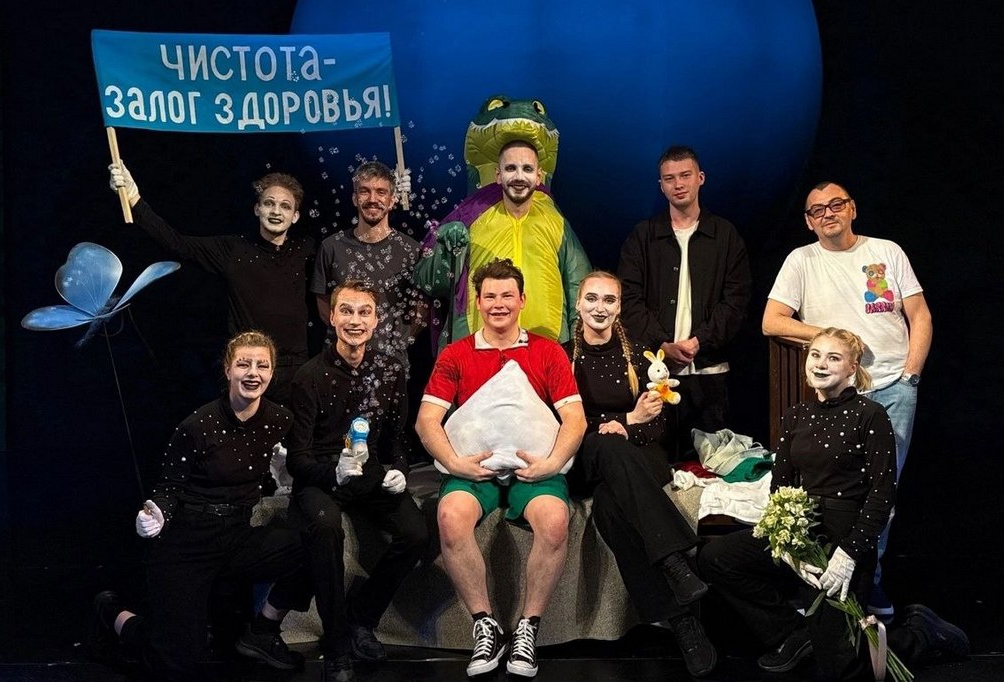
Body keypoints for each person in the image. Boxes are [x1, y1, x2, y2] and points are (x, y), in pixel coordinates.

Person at [698, 328, 966, 682]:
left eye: (833, 358)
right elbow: (781, 486)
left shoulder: (870, 415)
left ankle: (920, 632)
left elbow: (882, 494)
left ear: (853, 368)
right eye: (815, 355)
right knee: (717, 557)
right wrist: (787, 546)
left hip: (845, 536)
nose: (821, 364)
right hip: (803, 530)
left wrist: (849, 554)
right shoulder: (796, 416)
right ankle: (792, 632)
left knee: (841, 669)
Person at [94, 332, 312, 682]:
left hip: (237, 535)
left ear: (272, 373)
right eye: (243, 364)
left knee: (316, 544)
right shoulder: (198, 425)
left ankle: (262, 630)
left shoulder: (279, 420)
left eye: (262, 365)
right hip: (189, 542)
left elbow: (298, 460)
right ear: (227, 370)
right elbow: (168, 487)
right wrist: (156, 515)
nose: (253, 372)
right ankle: (113, 613)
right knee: (174, 662)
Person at [762, 181, 933, 618]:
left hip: (893, 388)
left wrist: (911, 376)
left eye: (836, 204)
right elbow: (772, 321)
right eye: (817, 210)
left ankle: (866, 588)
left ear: (852, 208)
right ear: (808, 221)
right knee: (832, 493)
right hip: (840, 398)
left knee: (881, 496)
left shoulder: (886, 251)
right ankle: (830, 584)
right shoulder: (801, 260)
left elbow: (919, 315)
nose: (828, 213)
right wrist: (829, 336)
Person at [415, 258, 586, 680]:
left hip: (534, 469)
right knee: (450, 516)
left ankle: (528, 628)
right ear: (477, 302)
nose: (498, 304)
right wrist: (454, 462)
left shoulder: (548, 351)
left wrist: (551, 463)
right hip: (476, 470)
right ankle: (485, 625)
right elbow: (426, 421)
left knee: (555, 520)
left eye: (507, 295)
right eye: (490, 296)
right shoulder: (456, 354)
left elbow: (575, 420)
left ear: (522, 300)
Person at [564, 271, 717, 677]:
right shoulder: (562, 357)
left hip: (638, 453)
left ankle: (680, 620)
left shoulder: (639, 356)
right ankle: (676, 561)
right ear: (577, 304)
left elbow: (657, 422)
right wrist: (623, 420)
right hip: (584, 456)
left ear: (619, 307)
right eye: (591, 298)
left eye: (609, 300)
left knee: (610, 508)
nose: (600, 308)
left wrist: (628, 428)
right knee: (607, 445)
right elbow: (562, 425)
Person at [284, 279, 428, 682]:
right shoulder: (308, 376)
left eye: (364, 312)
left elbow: (397, 440)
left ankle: (361, 617)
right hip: (320, 475)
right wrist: (333, 473)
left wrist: (401, 469)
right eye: (346, 310)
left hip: (368, 472)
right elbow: (297, 459)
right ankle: (337, 649)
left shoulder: (389, 370)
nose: (355, 320)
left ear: (376, 320)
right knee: (326, 528)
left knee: (416, 534)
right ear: (331, 316)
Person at [108, 163, 315, 405]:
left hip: (295, 369)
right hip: (246, 365)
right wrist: (134, 198)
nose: (276, 211)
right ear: (257, 208)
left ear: (295, 216)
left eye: (285, 206)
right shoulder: (233, 249)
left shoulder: (307, 251)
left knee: (294, 429)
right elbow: (178, 244)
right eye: (269, 203)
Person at [617, 145, 752, 462]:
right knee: (657, 465)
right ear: (661, 185)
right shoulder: (643, 236)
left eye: (685, 175)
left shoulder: (725, 235)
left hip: (710, 375)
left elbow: (736, 301)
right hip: (655, 375)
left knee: (709, 467)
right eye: (669, 178)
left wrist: (698, 342)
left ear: (700, 178)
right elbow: (628, 300)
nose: (678, 184)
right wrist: (662, 343)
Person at [414, 139, 590, 351]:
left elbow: (580, 287)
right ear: (498, 175)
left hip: (544, 351)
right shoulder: (471, 219)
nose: (519, 177)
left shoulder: (556, 223)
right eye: (510, 168)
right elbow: (432, 283)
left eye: (527, 169)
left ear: (539, 176)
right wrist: (444, 249)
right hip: (479, 350)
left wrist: (579, 348)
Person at [311, 161, 425, 375]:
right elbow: (324, 304)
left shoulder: (411, 250)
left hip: (391, 366)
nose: (373, 199)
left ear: (392, 199)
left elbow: (421, 308)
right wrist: (351, 337)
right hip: (339, 365)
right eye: (365, 191)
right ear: (355, 198)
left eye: (381, 192)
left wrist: (398, 343)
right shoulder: (331, 247)